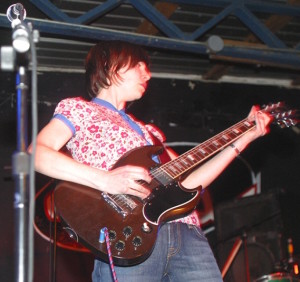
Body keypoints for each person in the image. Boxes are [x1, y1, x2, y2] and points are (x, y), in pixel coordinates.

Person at [29, 40, 272, 281]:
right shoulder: (79, 109)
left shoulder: (150, 133)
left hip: (187, 233)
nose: (148, 73)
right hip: (128, 236)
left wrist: (242, 139)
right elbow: (36, 153)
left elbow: (191, 182)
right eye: (139, 65)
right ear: (111, 65)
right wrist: (105, 180)